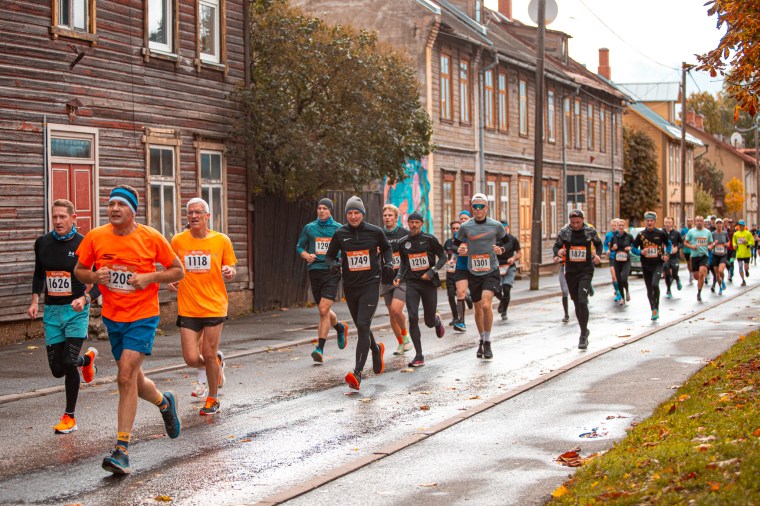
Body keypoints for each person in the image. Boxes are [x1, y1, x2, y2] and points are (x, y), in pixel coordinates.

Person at [74, 185, 185, 475]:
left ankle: (121, 450)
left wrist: (150, 277)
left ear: (133, 211)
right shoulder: (96, 237)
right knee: (134, 378)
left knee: (124, 376)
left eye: (121, 204)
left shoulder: (150, 237)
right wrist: (94, 276)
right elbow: (79, 270)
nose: (114, 208)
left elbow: (178, 270)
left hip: (143, 316)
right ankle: (164, 402)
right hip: (114, 317)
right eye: (111, 204)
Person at [28, 199, 99, 434]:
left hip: (75, 310)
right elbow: (39, 274)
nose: (58, 221)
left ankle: (70, 417)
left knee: (69, 362)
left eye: (63, 217)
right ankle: (86, 361)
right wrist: (34, 301)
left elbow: (100, 280)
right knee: (57, 369)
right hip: (52, 311)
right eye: (55, 217)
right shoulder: (43, 243)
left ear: (73, 218)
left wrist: (86, 298)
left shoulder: (84, 244)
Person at [168, 198, 237, 415]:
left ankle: (213, 398)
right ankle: (215, 364)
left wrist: (230, 272)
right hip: (188, 306)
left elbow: (231, 268)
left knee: (208, 353)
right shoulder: (178, 241)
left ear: (207, 216)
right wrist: (172, 279)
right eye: (190, 213)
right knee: (190, 358)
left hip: (214, 304)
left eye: (198, 212)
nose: (194, 216)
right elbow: (173, 268)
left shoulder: (221, 240)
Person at [325, 196, 393, 390]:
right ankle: (375, 349)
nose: (353, 216)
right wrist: (333, 265)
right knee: (362, 325)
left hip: (370, 284)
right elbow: (329, 256)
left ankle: (357, 373)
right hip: (350, 286)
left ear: (363, 213)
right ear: (346, 214)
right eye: (350, 213)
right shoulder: (340, 234)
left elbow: (387, 248)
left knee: (363, 325)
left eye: (357, 212)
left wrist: (388, 263)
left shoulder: (375, 232)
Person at [452, 194, 506, 359]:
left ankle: (488, 341)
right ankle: (481, 339)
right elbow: (454, 245)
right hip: (473, 271)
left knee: (485, 305)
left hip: (491, 270)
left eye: (481, 206)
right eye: (475, 206)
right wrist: (459, 249)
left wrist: (501, 249)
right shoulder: (465, 227)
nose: (478, 209)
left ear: (486, 208)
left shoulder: (496, 225)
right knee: (477, 308)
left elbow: (508, 242)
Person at [295, 198, 348, 363]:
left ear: (330, 210)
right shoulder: (310, 228)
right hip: (315, 271)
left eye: (325, 208)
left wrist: (341, 263)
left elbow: (346, 249)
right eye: (319, 208)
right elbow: (299, 247)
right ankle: (339, 327)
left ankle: (320, 349)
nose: (322, 211)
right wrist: (306, 255)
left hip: (332, 271)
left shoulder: (339, 229)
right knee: (323, 309)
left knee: (323, 309)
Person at [394, 212, 446, 367]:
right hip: (412, 283)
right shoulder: (403, 242)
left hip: (428, 284)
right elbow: (404, 263)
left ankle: (435, 319)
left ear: (422, 224)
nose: (414, 225)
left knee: (428, 322)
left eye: (417, 222)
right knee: (413, 317)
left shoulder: (429, 239)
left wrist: (432, 271)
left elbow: (443, 257)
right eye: (411, 222)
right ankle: (419, 355)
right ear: (408, 223)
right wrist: (399, 275)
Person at [553, 209, 602, 349]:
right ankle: (584, 329)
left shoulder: (589, 231)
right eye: (573, 222)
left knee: (582, 300)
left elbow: (599, 244)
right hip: (571, 271)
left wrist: (598, 255)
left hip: (586, 270)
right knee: (576, 302)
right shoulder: (565, 231)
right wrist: (558, 252)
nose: (575, 225)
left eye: (578, 222)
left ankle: (583, 335)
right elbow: (556, 246)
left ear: (583, 220)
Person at [380, 204, 411, 355]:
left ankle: (405, 337)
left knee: (396, 309)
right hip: (386, 278)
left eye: (390, 215)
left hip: (402, 277)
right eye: (385, 215)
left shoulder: (405, 234)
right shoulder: (379, 234)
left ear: (396, 218)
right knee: (392, 314)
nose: (387, 218)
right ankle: (400, 343)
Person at [632, 211, 671, 320]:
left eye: (651, 221)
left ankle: (656, 308)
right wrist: (640, 252)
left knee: (655, 284)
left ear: (654, 221)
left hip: (658, 263)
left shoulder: (660, 233)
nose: (649, 223)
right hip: (645, 264)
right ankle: (652, 308)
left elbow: (669, 244)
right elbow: (633, 248)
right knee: (649, 289)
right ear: (645, 221)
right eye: (648, 221)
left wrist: (666, 254)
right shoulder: (641, 235)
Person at [495, 220, 521, 321]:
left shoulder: (512, 239)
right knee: (496, 289)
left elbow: (519, 253)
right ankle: (502, 300)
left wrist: (513, 258)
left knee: (506, 289)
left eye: (504, 227)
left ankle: (504, 311)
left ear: (507, 228)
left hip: (509, 266)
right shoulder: (494, 239)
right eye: (501, 227)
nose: (503, 229)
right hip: (497, 266)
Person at [683, 215, 713, 302]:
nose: (699, 222)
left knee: (701, 273)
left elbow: (711, 243)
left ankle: (699, 292)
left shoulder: (707, 232)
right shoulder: (691, 232)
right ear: (695, 222)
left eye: (701, 221)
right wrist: (692, 247)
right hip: (694, 256)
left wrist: (710, 246)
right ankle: (700, 283)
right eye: (697, 221)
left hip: (704, 256)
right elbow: (685, 242)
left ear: (703, 222)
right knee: (696, 277)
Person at [610, 218, 633, 305]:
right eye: (619, 225)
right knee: (619, 280)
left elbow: (634, 245)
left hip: (626, 260)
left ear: (624, 226)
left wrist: (630, 248)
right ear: (617, 227)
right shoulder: (614, 237)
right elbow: (610, 249)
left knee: (624, 278)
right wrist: (613, 248)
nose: (620, 227)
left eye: (622, 225)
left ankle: (627, 290)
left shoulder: (629, 236)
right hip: (617, 260)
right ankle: (622, 298)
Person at [442, 221, 461, 325]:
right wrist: (446, 261)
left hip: (460, 271)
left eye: (457, 228)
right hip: (450, 272)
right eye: (453, 228)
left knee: (460, 294)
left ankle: (467, 297)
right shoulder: (448, 242)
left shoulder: (464, 242)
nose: (455, 230)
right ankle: (455, 317)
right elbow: (444, 254)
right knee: (450, 295)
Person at [662, 216, 683, 299]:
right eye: (666, 222)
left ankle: (677, 279)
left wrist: (677, 248)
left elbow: (682, 243)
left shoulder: (676, 233)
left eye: (669, 222)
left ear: (672, 224)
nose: (667, 224)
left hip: (674, 257)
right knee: (666, 272)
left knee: (674, 273)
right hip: (665, 256)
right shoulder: (661, 233)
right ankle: (668, 290)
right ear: (664, 223)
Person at [709, 218, 729, 295]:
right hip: (715, 255)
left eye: (720, 223)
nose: (719, 225)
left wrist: (726, 244)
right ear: (715, 225)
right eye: (717, 223)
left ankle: (723, 280)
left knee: (721, 271)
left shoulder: (725, 233)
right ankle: (720, 287)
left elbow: (728, 242)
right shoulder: (713, 234)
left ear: (722, 225)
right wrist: (714, 244)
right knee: (717, 274)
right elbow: (710, 244)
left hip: (723, 254)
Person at [603, 218, 621, 301]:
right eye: (612, 225)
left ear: (618, 226)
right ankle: (618, 293)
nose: (614, 227)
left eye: (615, 225)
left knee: (619, 276)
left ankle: (620, 289)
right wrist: (607, 250)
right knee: (613, 276)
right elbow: (605, 244)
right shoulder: (608, 235)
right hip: (612, 257)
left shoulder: (620, 234)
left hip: (619, 258)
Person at [733, 219, 755, 286]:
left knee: (746, 267)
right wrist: (734, 245)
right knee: (740, 267)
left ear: (744, 226)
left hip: (746, 253)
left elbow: (753, 242)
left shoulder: (748, 233)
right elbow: (734, 242)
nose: (740, 227)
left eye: (742, 225)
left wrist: (747, 242)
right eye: (739, 225)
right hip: (739, 254)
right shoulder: (736, 234)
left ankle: (746, 271)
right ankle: (743, 280)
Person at [681, 217, 694, 284]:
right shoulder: (683, 230)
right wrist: (684, 236)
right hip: (686, 249)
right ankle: (691, 273)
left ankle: (693, 273)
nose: (689, 222)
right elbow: (680, 239)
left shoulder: (694, 230)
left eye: (690, 221)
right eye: (688, 221)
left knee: (691, 261)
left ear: (692, 222)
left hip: (693, 249)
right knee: (688, 263)